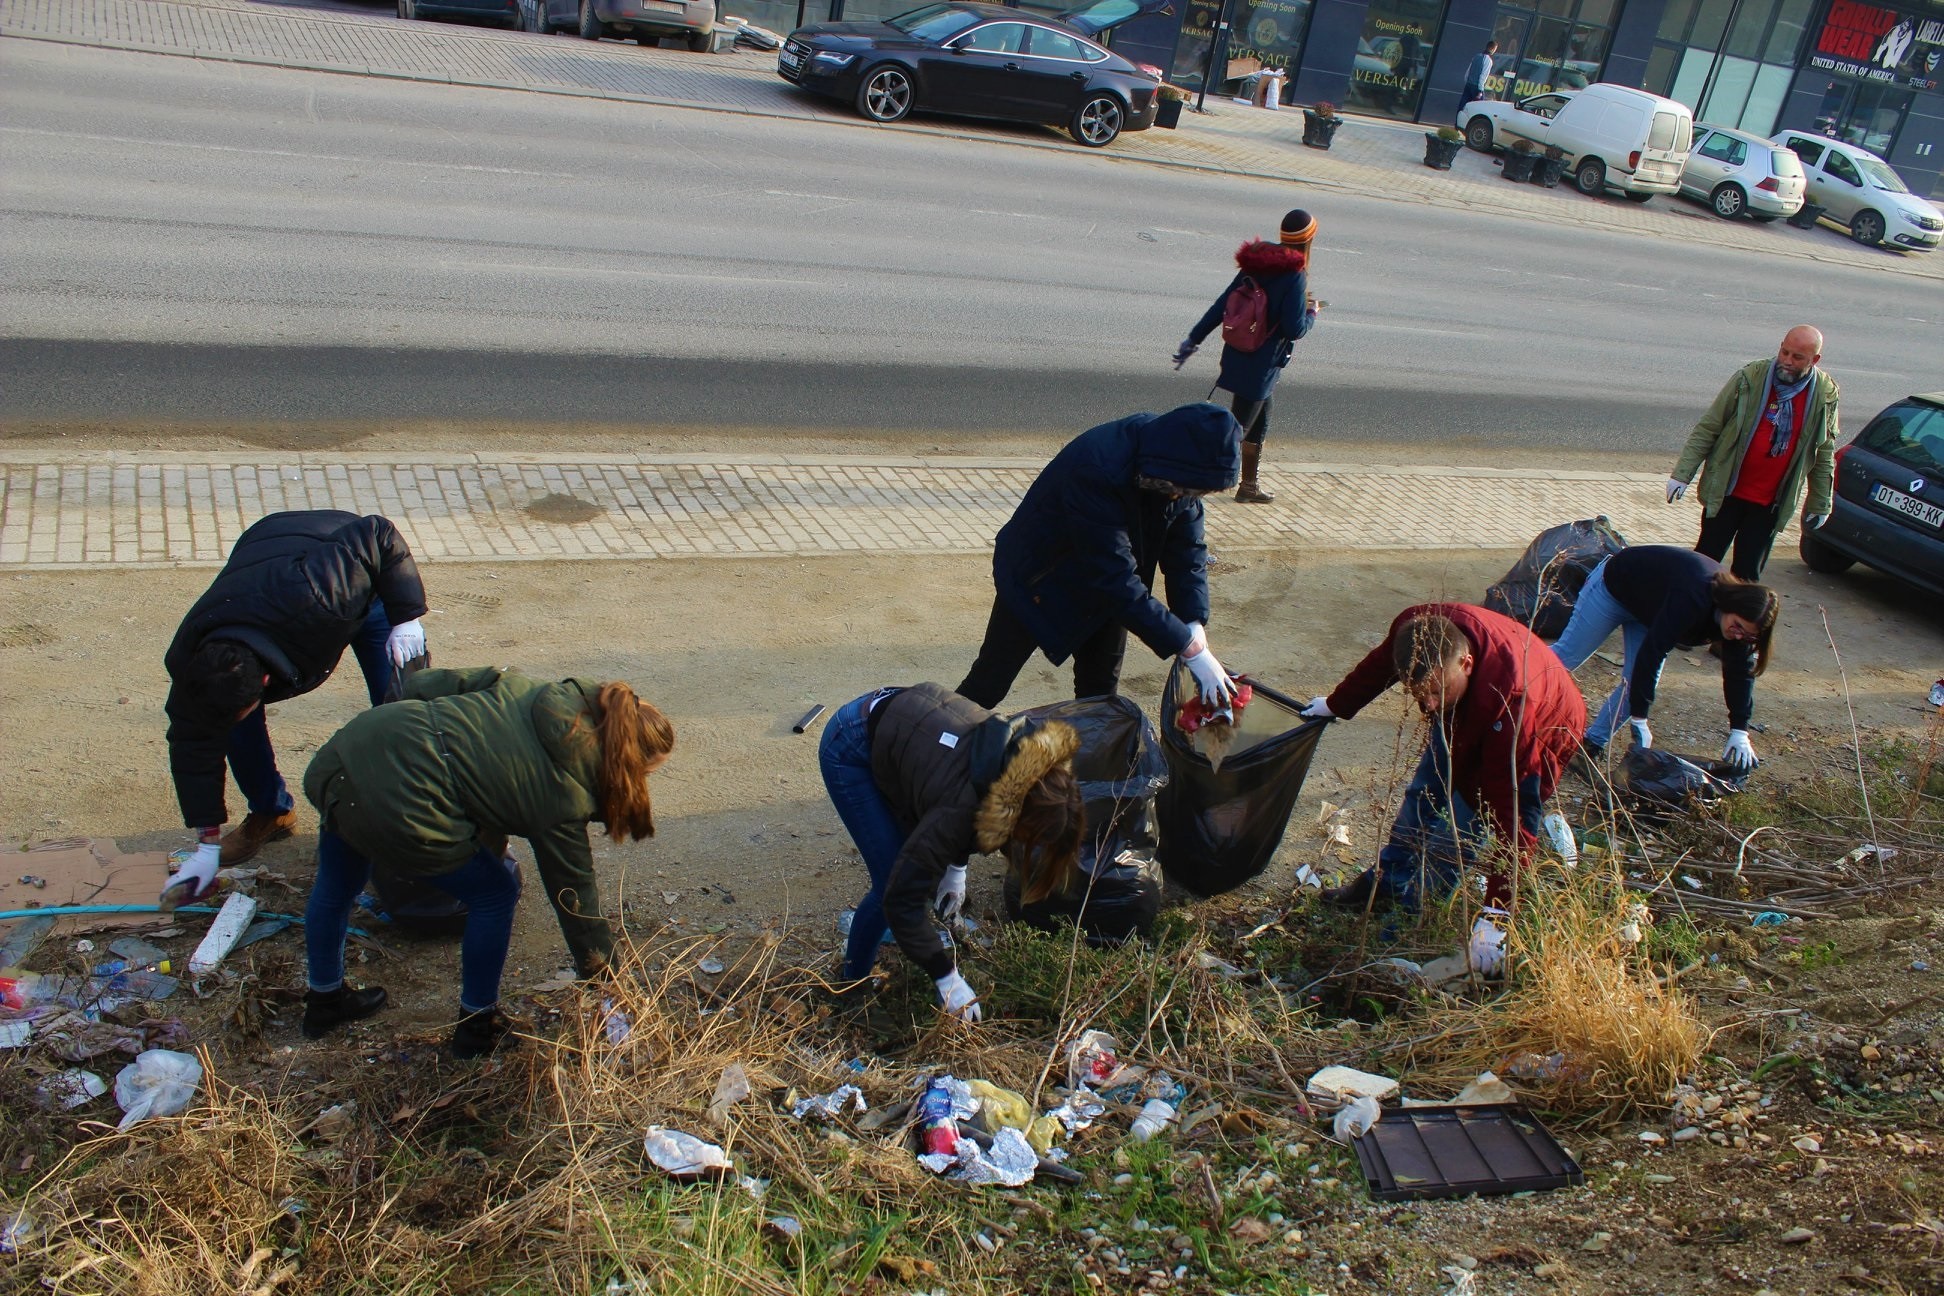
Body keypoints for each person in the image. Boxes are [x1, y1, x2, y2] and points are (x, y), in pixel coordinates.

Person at [298, 667, 674, 1057]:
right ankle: (477, 1026)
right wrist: (606, 981)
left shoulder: (529, 688)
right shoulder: (564, 794)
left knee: (339, 882)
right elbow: (573, 895)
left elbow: (421, 684)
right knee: (495, 892)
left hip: (353, 750)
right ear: (624, 762)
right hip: (406, 800)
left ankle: (324, 1001)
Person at [160, 510, 429, 905]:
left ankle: (411, 824)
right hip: (267, 560)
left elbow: (378, 532)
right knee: (232, 724)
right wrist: (207, 845)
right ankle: (271, 813)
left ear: (265, 683)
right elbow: (192, 745)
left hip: (354, 572)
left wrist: (407, 617)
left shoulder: (321, 590)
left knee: (401, 707)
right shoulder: (193, 666)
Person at [820, 683, 1084, 1021]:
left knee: (918, 862)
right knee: (891, 882)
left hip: (906, 725)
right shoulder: (959, 809)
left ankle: (896, 939)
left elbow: (970, 808)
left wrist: (956, 869)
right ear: (1018, 815)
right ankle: (850, 988)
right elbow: (902, 897)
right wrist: (946, 977)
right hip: (850, 745)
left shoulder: (1021, 761)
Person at [1299, 604, 1585, 912]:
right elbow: (1380, 666)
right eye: (1419, 693)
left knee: (1455, 836)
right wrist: (1336, 704)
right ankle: (1387, 885)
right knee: (1421, 796)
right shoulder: (1415, 632)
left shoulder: (1513, 707)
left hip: (1542, 727)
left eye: (1438, 691)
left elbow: (1515, 815)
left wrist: (1498, 911)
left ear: (1467, 663)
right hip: (1473, 704)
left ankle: (1413, 917)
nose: (1430, 705)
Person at [957, 402, 1242, 710]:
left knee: (1100, 698)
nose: (1190, 497)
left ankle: (1092, 757)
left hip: (1109, 593)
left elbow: (1188, 555)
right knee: (989, 683)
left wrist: (1192, 622)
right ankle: (935, 744)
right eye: (1191, 490)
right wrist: (1188, 648)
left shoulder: (1179, 474)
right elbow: (1113, 577)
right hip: (1038, 580)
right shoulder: (1099, 468)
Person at [1548, 545, 1778, 771]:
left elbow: (1740, 673)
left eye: (1747, 635)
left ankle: (1590, 746)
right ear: (1731, 605)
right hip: (1616, 586)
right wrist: (1640, 717)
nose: (1738, 635)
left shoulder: (1741, 631)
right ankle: (1514, 686)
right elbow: (1653, 652)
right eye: (1737, 626)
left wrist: (1740, 729)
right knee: (1566, 657)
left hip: (1652, 610)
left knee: (1634, 683)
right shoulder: (1694, 596)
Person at [1667, 325, 1840, 580]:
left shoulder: (1824, 394)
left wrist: (1820, 502)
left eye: (1797, 357)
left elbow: (1823, 450)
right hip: (1728, 492)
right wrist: (1682, 474)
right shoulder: (1750, 378)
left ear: (1815, 360)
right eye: (1784, 352)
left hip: (1770, 503)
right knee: (1704, 564)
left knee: (1747, 576)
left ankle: (1732, 619)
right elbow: (1710, 426)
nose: (1787, 362)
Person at [1172, 210, 1321, 503]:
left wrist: (1194, 338)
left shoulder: (1256, 262)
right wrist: (1312, 313)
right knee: (1233, 433)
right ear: (1308, 240)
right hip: (1261, 366)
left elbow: (1222, 305)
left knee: (1259, 420)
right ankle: (1187, 489)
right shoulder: (1295, 276)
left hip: (1239, 354)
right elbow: (1294, 329)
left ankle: (1248, 486)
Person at [1461, 39, 1498, 110]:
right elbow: (1483, 76)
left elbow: (1468, 71)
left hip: (1468, 84)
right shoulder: (1488, 60)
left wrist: (1467, 81)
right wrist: (1480, 91)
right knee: (1478, 109)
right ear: (1493, 49)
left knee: (1463, 105)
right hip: (1476, 87)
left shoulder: (1476, 56)